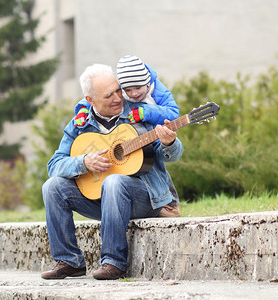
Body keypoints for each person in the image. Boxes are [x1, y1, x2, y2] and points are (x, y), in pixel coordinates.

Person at [41, 64, 184, 280]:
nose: (119, 98)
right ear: (90, 100)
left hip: (146, 197)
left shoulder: (139, 112)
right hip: (101, 200)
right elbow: (54, 165)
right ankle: (69, 261)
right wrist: (83, 162)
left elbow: (171, 155)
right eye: (109, 95)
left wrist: (170, 142)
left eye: (119, 90)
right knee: (52, 187)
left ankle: (113, 263)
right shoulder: (79, 125)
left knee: (114, 182)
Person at [73, 55, 181, 217]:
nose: (134, 94)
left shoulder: (157, 90)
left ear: (146, 82)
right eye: (127, 90)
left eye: (138, 88)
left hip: (155, 125)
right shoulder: (121, 94)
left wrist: (146, 112)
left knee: (154, 160)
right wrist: (81, 110)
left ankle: (169, 204)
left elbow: (173, 113)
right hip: (132, 132)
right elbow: (92, 97)